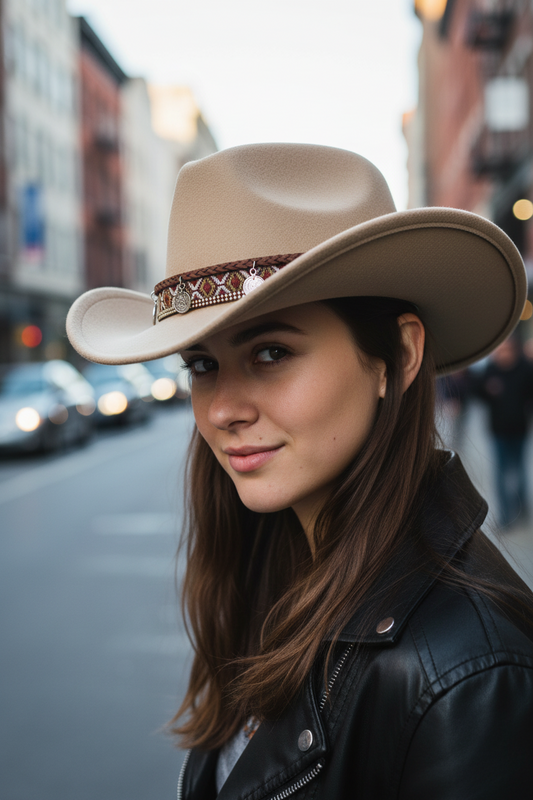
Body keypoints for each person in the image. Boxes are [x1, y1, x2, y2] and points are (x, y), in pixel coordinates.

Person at [67, 144, 533, 799]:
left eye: (271, 352)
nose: (223, 408)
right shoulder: (273, 567)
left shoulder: (469, 678)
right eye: (201, 364)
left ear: (395, 357)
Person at [472, 336, 533, 528]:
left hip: (519, 428)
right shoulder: (491, 370)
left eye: (507, 350)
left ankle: (522, 506)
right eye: (500, 351)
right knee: (500, 472)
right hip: (498, 430)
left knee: (519, 470)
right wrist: (487, 390)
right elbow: (476, 391)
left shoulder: (525, 369)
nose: (503, 355)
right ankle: (506, 515)